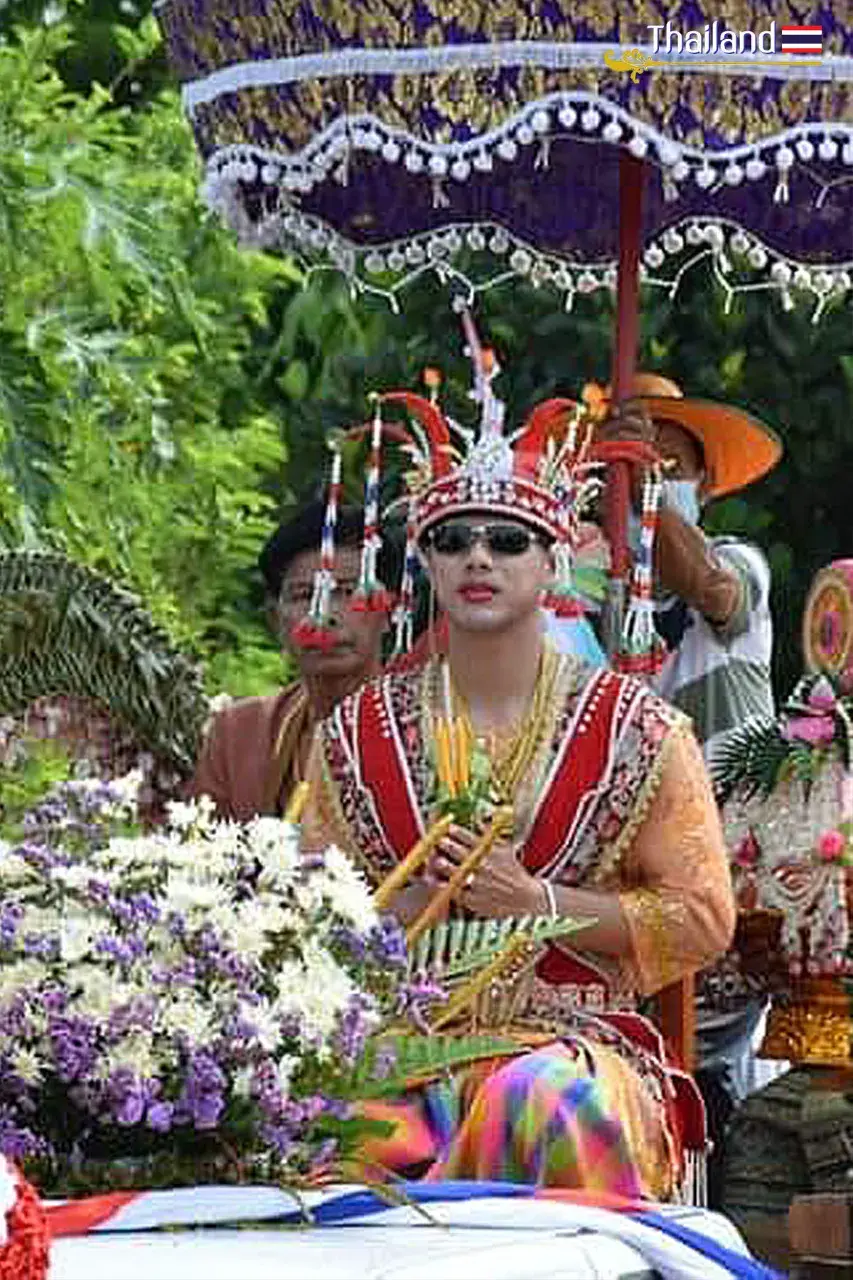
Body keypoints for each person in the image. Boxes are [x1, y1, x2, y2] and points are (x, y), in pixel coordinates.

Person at [300, 369, 736, 1198]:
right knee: (338, 1129)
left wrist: (533, 903)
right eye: (453, 538)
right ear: (423, 559)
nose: (477, 558)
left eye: (505, 541)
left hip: (573, 1043)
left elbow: (701, 917)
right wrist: (385, 914)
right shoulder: (356, 734)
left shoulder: (636, 730)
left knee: (532, 1102)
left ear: (553, 560)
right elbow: (309, 914)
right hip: (409, 1035)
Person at [594, 372, 784, 1206]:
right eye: (640, 464)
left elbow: (698, 580)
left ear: (701, 485)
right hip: (623, 881)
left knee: (708, 1072)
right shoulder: (597, 601)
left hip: (725, 874)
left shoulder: (734, 567)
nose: (652, 478)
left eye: (669, 465)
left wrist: (641, 495)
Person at [191, 500, 394, 820]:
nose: (324, 615)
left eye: (347, 591)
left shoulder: (428, 728)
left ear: (388, 610)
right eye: (303, 596)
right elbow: (202, 855)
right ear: (275, 619)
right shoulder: (238, 733)